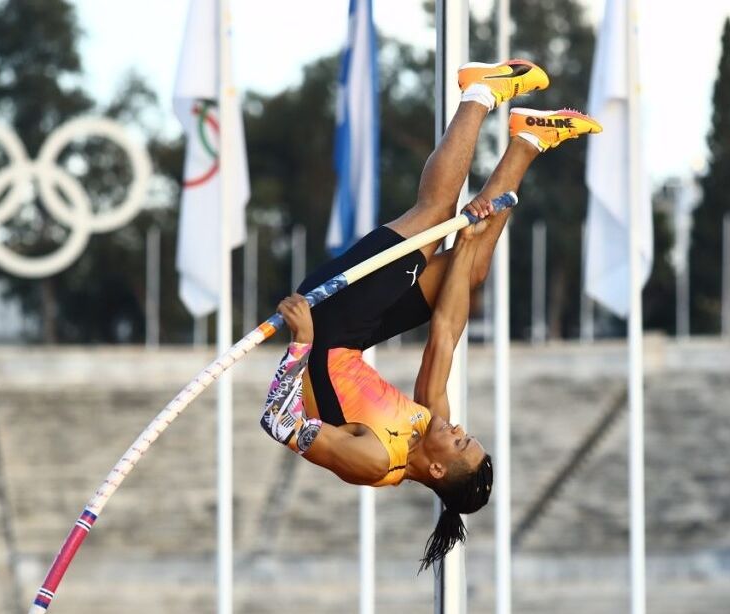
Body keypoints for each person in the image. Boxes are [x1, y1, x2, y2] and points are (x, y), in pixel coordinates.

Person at [258, 59, 602, 570]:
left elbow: (279, 423)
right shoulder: (428, 419)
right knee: (473, 267)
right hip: (359, 332)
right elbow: (445, 330)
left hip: (326, 323)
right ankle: (529, 140)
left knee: (434, 215)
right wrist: (465, 249)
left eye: (460, 440)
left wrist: (301, 344)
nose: (457, 426)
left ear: (438, 467)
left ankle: (479, 92)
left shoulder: (374, 460)